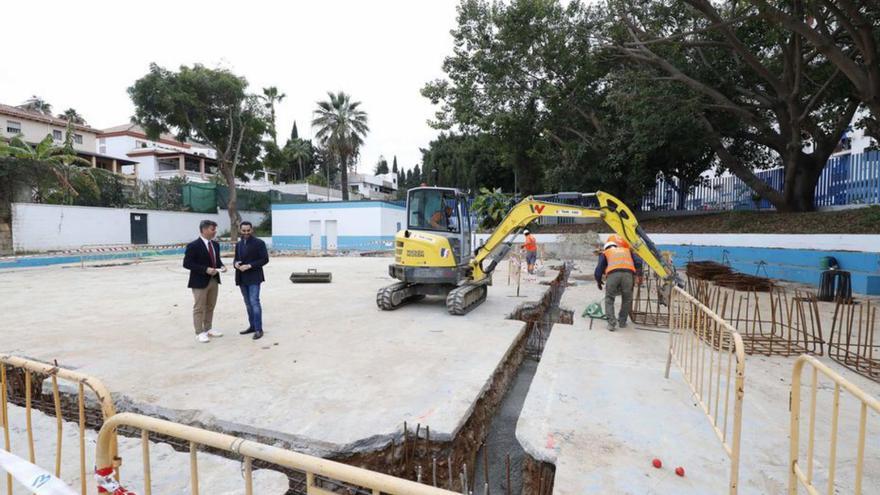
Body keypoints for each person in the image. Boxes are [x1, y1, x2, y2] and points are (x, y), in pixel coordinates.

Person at [183, 220, 227, 343]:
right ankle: (199, 332)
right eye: (212, 229)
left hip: (214, 280)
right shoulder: (193, 245)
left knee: (210, 306)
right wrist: (205, 269)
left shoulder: (215, 245)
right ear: (204, 230)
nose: (215, 232)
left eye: (215, 229)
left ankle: (208, 329)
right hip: (199, 281)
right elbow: (187, 263)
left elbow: (217, 260)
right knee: (199, 307)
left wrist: (222, 266)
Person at [594, 239, 642, 331]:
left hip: (613, 275)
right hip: (628, 275)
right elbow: (638, 262)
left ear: (606, 248)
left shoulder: (606, 253)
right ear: (615, 246)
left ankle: (611, 324)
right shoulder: (627, 250)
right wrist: (638, 275)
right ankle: (622, 322)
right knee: (627, 298)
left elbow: (599, 269)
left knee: (609, 298)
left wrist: (598, 281)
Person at [234, 221, 269, 340]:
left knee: (254, 302)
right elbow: (236, 259)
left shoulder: (259, 243)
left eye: (248, 230)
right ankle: (252, 326)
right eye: (243, 231)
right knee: (248, 304)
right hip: (242, 277)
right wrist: (236, 264)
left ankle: (259, 329)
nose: (246, 233)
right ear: (240, 230)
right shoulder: (239, 244)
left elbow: (265, 259)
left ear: (252, 229)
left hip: (254, 277)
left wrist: (249, 265)